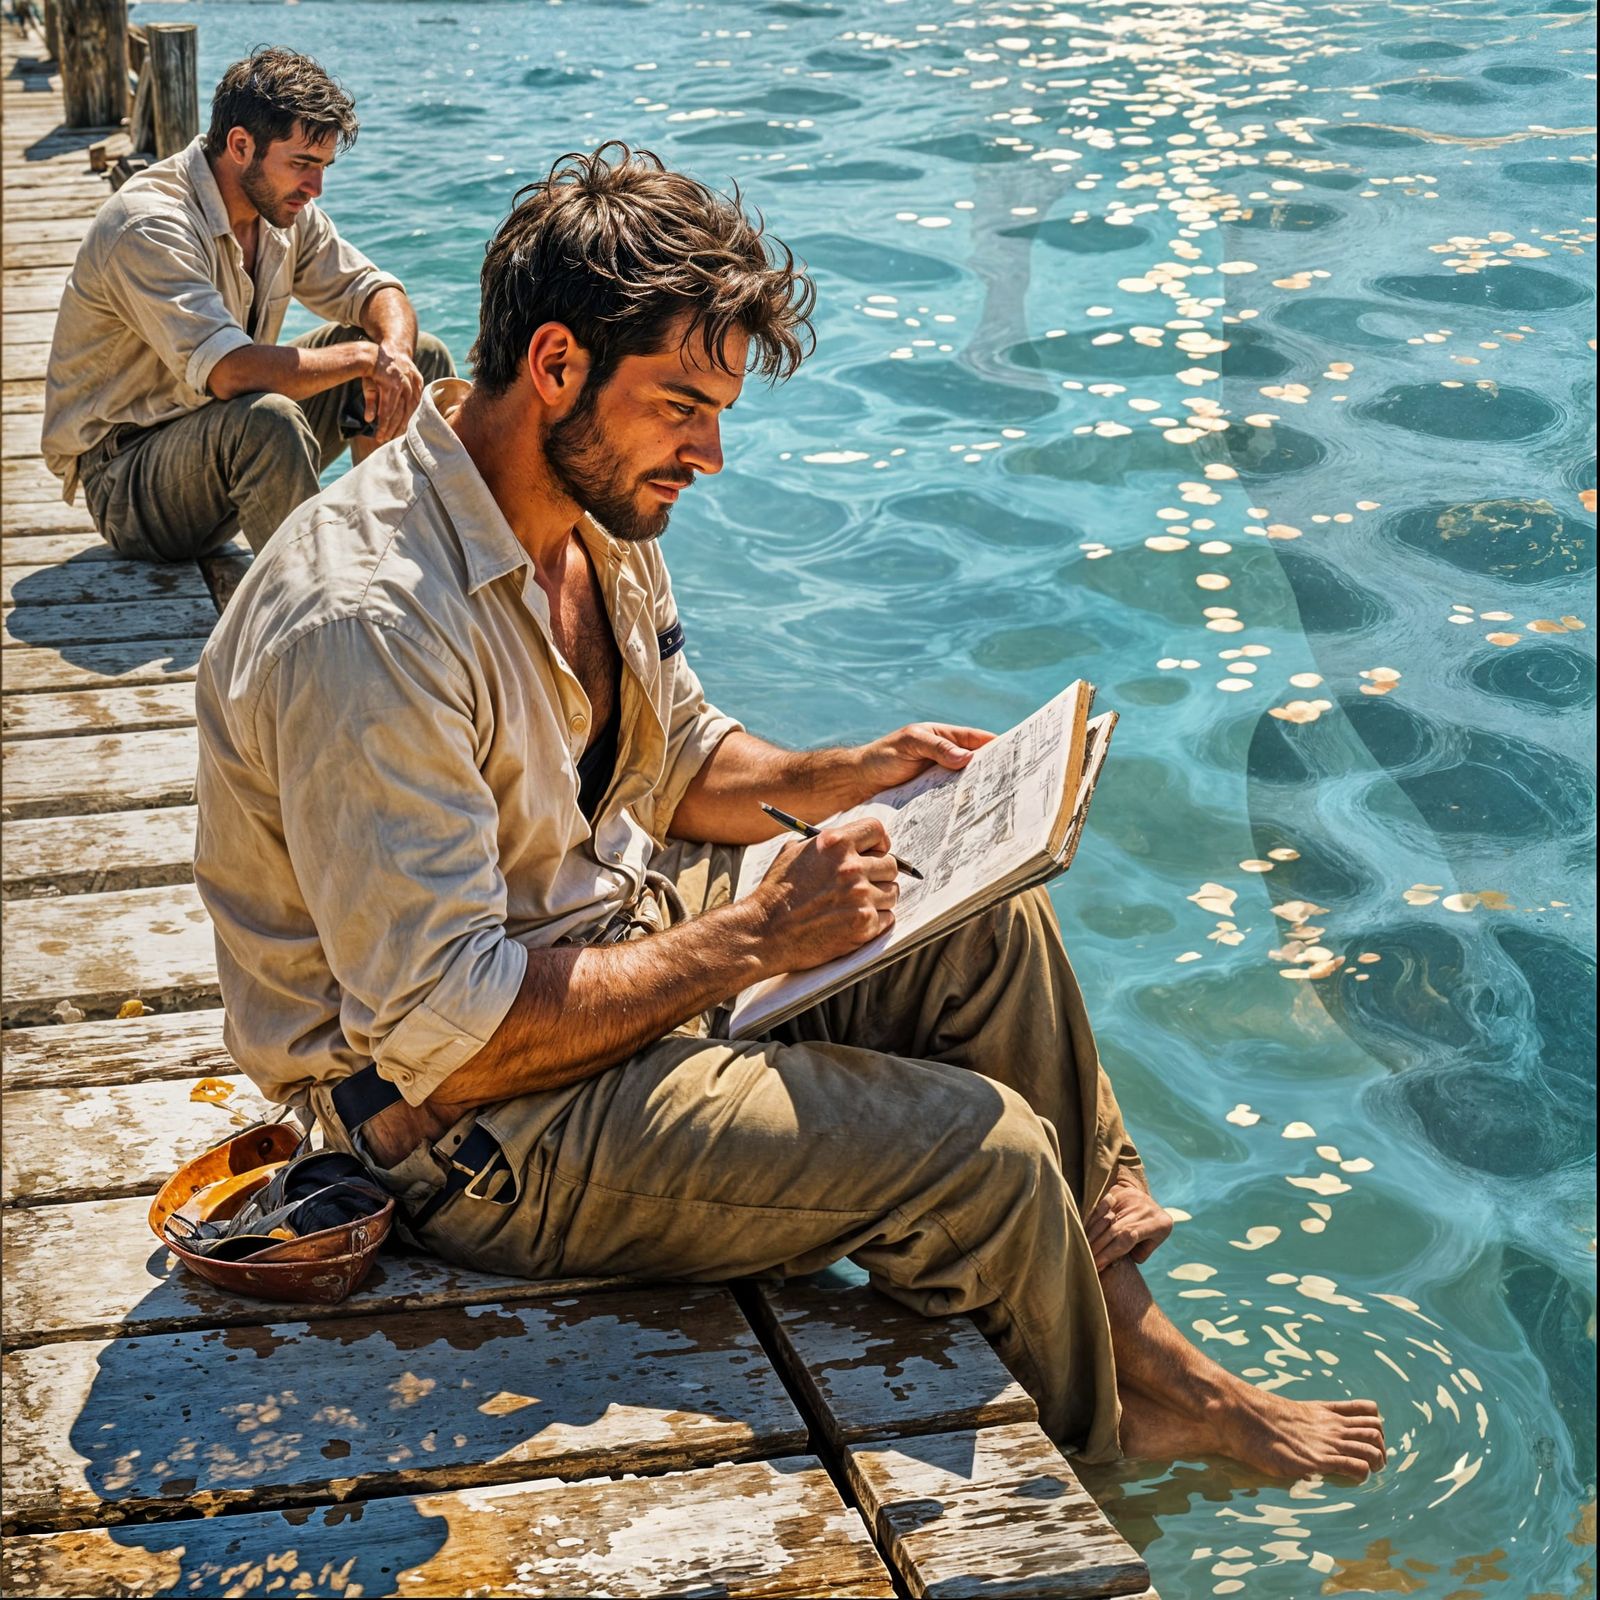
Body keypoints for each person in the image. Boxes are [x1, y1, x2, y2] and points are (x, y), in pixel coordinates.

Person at [193, 142, 1384, 1480]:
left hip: (597, 956)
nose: (708, 453)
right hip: (462, 1133)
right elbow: (446, 1039)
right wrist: (755, 942)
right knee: (976, 1154)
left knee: (986, 931)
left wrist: (833, 776)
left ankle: (1125, 1329)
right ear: (555, 367)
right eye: (684, 406)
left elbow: (665, 753)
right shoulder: (369, 625)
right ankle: (1098, 1460)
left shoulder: (590, 511)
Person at [41, 46, 454, 560]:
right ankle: (318, 606)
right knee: (271, 420)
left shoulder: (282, 208)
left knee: (423, 358)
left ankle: (392, 552)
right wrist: (368, 359)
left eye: (323, 166)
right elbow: (230, 372)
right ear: (240, 144)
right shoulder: (150, 224)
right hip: (128, 479)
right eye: (302, 164)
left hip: (221, 435)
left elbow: (374, 290)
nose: (316, 187)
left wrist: (391, 351)